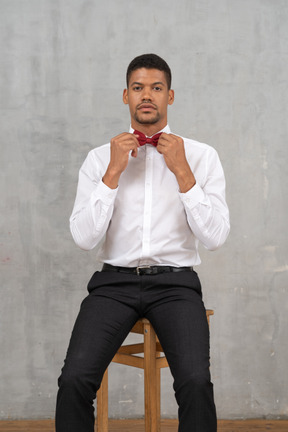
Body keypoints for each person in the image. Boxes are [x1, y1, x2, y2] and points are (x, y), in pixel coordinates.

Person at [55, 53, 230, 432]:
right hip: (113, 284)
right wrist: (113, 173)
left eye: (156, 87)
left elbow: (215, 237)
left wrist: (183, 171)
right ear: (125, 96)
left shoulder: (201, 156)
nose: (146, 95)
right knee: (73, 381)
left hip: (176, 284)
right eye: (138, 88)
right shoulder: (99, 158)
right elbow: (84, 239)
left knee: (197, 383)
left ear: (170, 96)